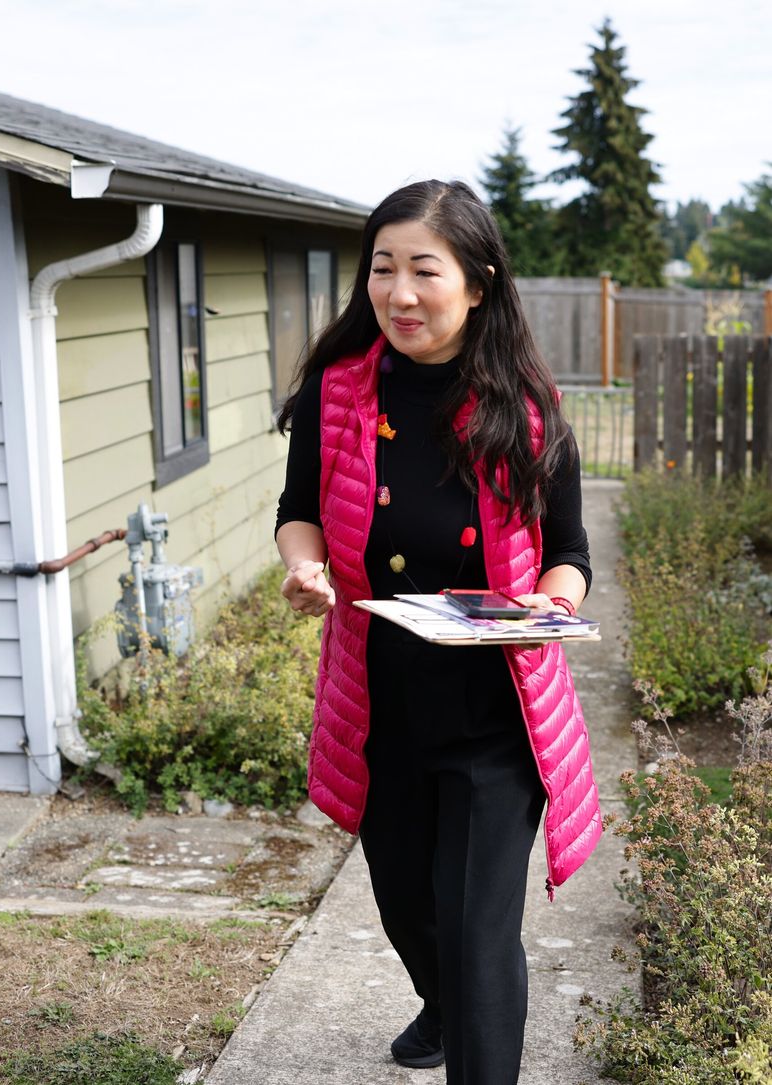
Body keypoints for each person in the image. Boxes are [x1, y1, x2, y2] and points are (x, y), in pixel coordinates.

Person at [275, 179, 601, 1084]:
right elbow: (298, 511)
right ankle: (441, 1000)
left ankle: (471, 1030)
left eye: (425, 269)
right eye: (383, 268)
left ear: (479, 281)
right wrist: (304, 567)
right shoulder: (337, 394)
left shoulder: (527, 406)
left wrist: (554, 601)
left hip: (498, 712)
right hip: (383, 705)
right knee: (408, 907)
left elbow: (569, 551)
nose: (400, 292)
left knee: (476, 929)